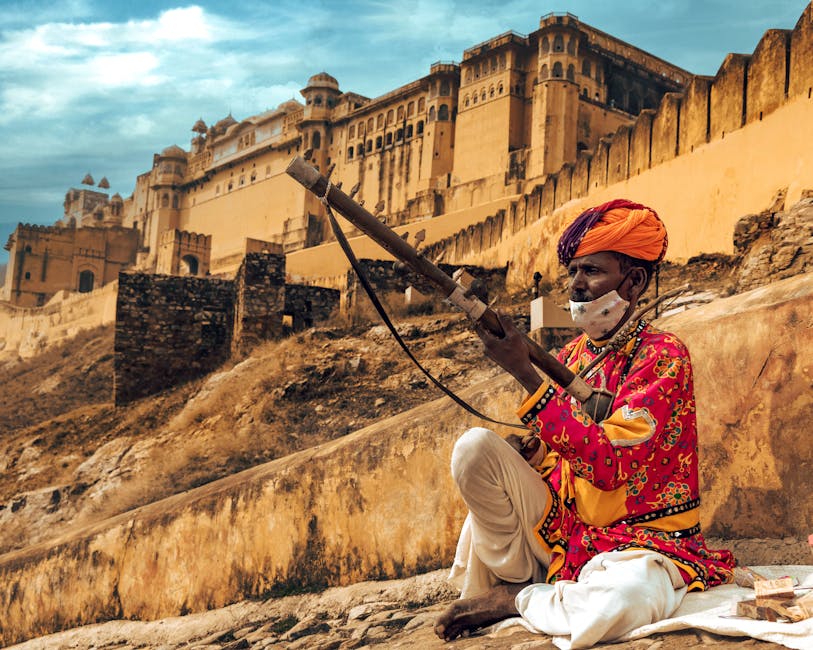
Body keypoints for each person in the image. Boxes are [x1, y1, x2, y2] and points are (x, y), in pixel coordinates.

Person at [435, 199, 736, 647]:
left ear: (633, 282)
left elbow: (609, 466)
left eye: (591, 271)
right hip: (566, 532)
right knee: (474, 448)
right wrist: (533, 452)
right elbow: (561, 453)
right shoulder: (573, 355)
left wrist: (524, 374)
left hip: (640, 542)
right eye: (573, 271)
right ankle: (521, 580)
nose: (576, 285)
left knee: (617, 607)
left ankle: (518, 597)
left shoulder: (664, 356)